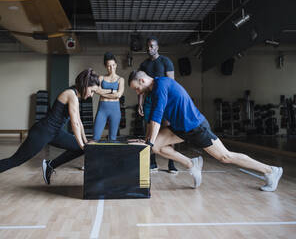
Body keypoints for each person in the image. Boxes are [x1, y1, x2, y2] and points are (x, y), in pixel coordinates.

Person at [128, 70, 283, 191]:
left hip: (196, 127)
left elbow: (156, 120)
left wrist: (147, 144)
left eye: (136, 88)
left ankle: (270, 171)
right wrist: (147, 141)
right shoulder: (153, 92)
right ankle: (191, 164)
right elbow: (151, 122)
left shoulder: (161, 85)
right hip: (179, 127)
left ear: (142, 80)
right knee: (155, 146)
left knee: (225, 156)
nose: (138, 92)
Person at [0, 69, 100, 196]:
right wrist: (84, 145)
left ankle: (50, 165)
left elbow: (80, 123)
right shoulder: (70, 94)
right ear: (85, 85)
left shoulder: (75, 96)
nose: (91, 95)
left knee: (81, 149)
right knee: (16, 160)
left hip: (55, 133)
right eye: (92, 91)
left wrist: (85, 143)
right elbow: (75, 124)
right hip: (42, 132)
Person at [138, 36, 178, 174]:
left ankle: (171, 164)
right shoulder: (144, 65)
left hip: (164, 100)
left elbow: (171, 84)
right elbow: (140, 85)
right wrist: (140, 103)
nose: (150, 49)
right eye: (148, 46)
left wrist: (170, 103)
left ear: (157, 47)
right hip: (149, 101)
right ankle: (153, 162)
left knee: (168, 130)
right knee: (149, 131)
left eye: (152, 46)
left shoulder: (166, 61)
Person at [92, 52, 125, 141]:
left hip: (115, 110)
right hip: (102, 110)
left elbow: (119, 94)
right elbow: (97, 91)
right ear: (106, 66)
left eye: (113, 65)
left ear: (116, 65)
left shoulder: (120, 79)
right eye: (109, 66)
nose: (111, 68)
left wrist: (103, 93)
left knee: (112, 138)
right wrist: (111, 91)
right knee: (95, 137)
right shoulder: (101, 78)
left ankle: (111, 155)